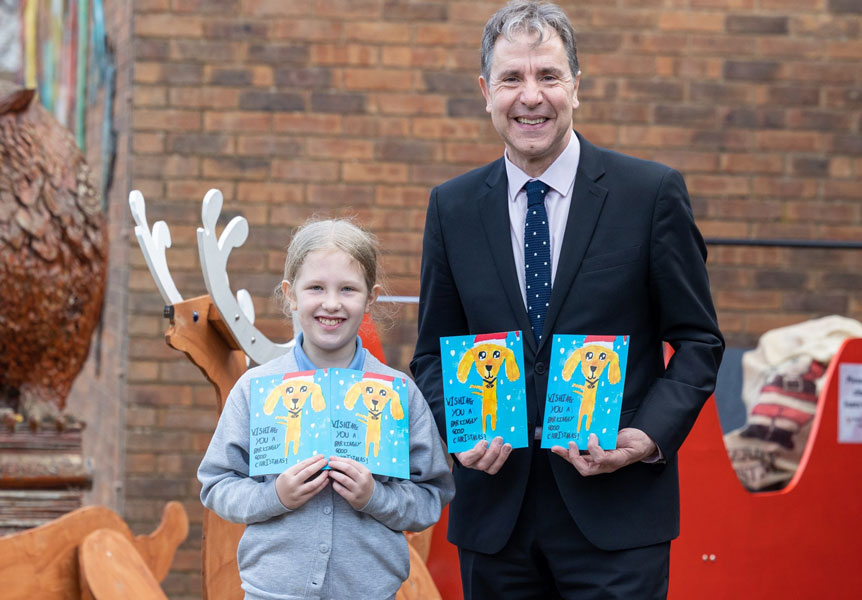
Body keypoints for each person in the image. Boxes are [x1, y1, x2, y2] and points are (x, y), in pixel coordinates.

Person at [410, 2, 724, 598]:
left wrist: (648, 436)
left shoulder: (649, 194)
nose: (531, 97)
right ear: (485, 91)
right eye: (512, 78)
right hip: (496, 522)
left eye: (548, 76)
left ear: (576, 86)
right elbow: (430, 354)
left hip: (617, 518)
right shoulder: (451, 208)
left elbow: (698, 342)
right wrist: (459, 433)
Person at [199, 219, 454, 600]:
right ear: (291, 294)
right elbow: (217, 484)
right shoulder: (255, 390)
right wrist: (275, 496)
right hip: (272, 592)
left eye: (348, 289)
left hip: (371, 592)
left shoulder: (399, 393)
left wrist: (375, 497)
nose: (331, 303)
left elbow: (431, 494)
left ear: (371, 298)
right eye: (316, 287)